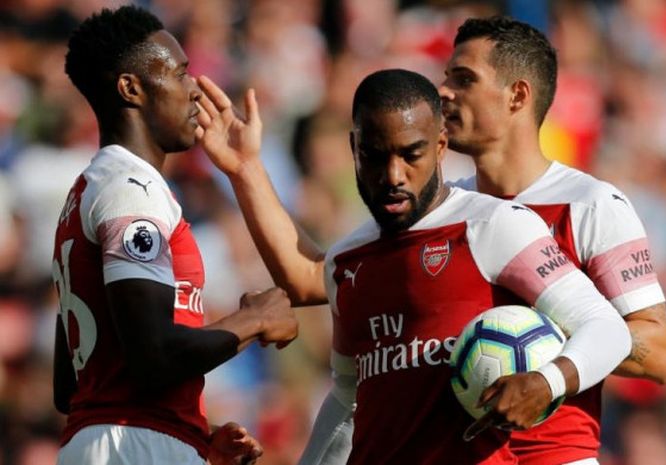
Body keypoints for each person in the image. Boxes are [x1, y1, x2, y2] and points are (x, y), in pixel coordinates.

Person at [195, 68, 632, 464]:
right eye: (375, 155)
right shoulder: (349, 260)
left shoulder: (494, 226)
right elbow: (348, 400)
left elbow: (608, 328)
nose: (393, 175)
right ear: (354, 149)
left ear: (441, 146)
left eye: (411, 154)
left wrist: (546, 382)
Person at [53, 6, 298, 465]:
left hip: (122, 440)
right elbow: (154, 355)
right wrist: (255, 320)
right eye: (181, 74)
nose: (196, 91)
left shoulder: (89, 191)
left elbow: (71, 386)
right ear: (131, 88)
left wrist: (194, 438)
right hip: (132, 445)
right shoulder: (130, 191)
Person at [438, 16, 666, 465]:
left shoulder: (590, 204)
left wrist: (543, 351)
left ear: (518, 95)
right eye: (446, 78)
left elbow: (659, 354)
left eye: (463, 79)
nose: (444, 92)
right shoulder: (446, 209)